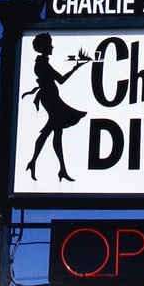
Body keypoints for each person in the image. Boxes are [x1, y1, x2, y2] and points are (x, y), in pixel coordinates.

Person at [23, 32, 87, 182]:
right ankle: (48, 166)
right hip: (50, 98)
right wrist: (76, 68)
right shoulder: (42, 64)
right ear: (44, 47)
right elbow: (61, 80)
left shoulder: (42, 63)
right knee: (51, 131)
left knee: (54, 132)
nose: (52, 47)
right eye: (50, 45)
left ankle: (55, 168)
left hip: (51, 98)